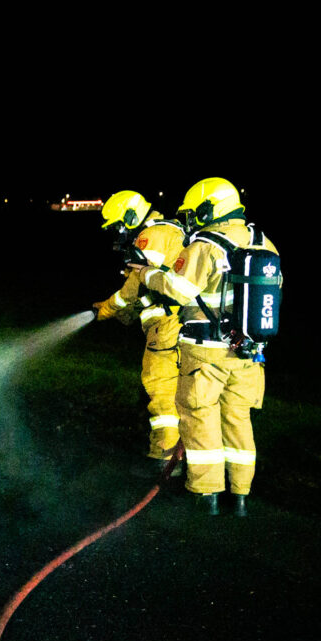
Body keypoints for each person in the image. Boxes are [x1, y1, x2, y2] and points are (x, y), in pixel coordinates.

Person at [131, 177, 280, 516]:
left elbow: (179, 289)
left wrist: (146, 274)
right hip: (248, 353)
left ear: (209, 209)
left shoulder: (206, 244)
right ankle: (240, 496)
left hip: (205, 352)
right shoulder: (265, 243)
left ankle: (206, 494)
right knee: (238, 421)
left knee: (200, 418)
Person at [93, 190, 188, 474]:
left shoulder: (151, 236)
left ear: (131, 217)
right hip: (179, 323)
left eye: (118, 226)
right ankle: (183, 458)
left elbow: (135, 284)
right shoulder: (168, 231)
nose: (117, 233)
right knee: (183, 393)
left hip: (166, 326)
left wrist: (109, 308)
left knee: (161, 389)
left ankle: (164, 460)